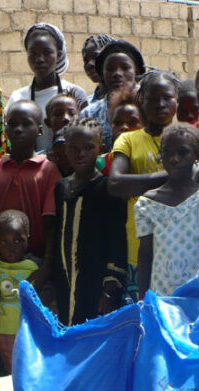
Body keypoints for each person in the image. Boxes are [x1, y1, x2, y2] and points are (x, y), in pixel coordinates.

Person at [109, 70, 181, 300]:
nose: (160, 104)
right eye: (152, 99)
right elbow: (116, 183)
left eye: (167, 97)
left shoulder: (188, 137)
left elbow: (196, 179)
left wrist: (140, 185)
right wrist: (170, 177)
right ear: (142, 101)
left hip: (179, 249)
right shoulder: (128, 139)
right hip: (137, 251)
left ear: (177, 99)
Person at [0, 100, 59, 283]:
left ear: (40, 130)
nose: (18, 129)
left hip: (35, 263)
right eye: (13, 124)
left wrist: (47, 266)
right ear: (6, 129)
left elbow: (51, 224)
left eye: (26, 124)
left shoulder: (49, 171)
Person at [51, 118, 127, 325]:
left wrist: (110, 290)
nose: (80, 153)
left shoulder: (107, 189)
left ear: (101, 147)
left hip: (96, 284)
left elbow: (117, 242)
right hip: (65, 282)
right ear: (65, 149)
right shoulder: (61, 188)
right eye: (74, 148)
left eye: (88, 148)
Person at [136, 123, 199, 296]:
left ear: (196, 156)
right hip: (161, 296)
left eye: (182, 152)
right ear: (161, 155)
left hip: (197, 295)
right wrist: (143, 299)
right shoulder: (147, 203)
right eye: (167, 152)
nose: (174, 159)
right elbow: (145, 256)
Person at [8, 23, 88, 153]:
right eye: (33, 53)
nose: (40, 59)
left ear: (59, 55)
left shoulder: (74, 94)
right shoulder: (18, 98)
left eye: (47, 53)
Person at [0, 210, 41, 373]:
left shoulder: (34, 267)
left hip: (27, 331)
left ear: (28, 237)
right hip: (1, 330)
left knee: (29, 369)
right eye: (4, 242)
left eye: (18, 241)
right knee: (10, 372)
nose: (11, 248)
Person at [79, 39, 146, 155]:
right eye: (110, 69)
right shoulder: (89, 114)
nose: (117, 74)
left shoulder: (149, 106)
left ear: (137, 71)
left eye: (125, 68)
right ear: (102, 74)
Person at [80, 33, 115, 107]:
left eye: (96, 58)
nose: (90, 65)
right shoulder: (87, 106)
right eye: (86, 61)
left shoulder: (135, 100)